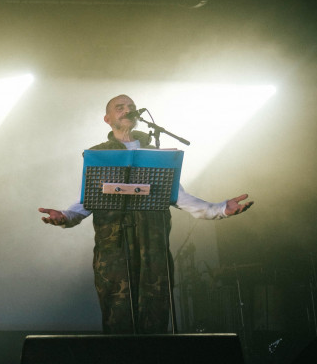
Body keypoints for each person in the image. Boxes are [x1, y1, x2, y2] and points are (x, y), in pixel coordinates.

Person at [38, 94, 252, 334]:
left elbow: (179, 197)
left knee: (155, 318)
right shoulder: (100, 154)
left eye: (131, 107)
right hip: (114, 252)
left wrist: (220, 209)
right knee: (118, 319)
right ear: (107, 119)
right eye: (120, 107)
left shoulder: (156, 155)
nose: (127, 110)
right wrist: (65, 216)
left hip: (153, 251)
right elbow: (88, 200)